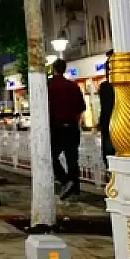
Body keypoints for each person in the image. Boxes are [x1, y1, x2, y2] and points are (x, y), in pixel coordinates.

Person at [48, 59, 86, 200]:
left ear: (54, 69)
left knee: (51, 157)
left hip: (56, 128)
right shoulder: (73, 86)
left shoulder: (50, 86)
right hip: (71, 127)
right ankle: (75, 189)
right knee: (72, 159)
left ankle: (66, 181)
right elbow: (81, 107)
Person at [97, 51, 116, 169]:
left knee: (109, 153)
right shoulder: (106, 87)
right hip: (115, 122)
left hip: (110, 123)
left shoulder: (105, 87)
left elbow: (105, 107)